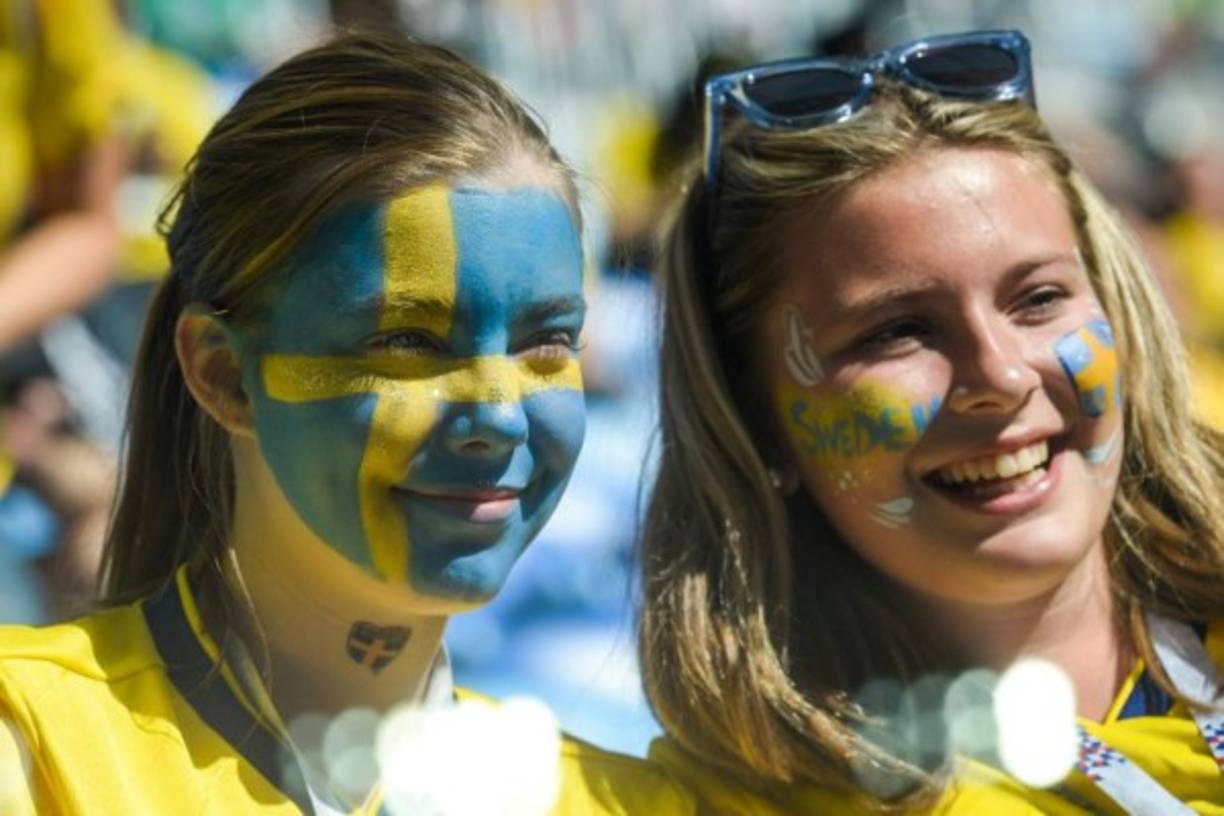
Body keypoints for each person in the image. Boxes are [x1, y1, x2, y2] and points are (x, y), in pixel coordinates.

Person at [0, 32, 696, 815]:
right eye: (407, 342)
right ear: (223, 373)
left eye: (546, 343)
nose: (498, 416)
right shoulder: (32, 748)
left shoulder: (622, 803)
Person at [640, 29, 1224, 814]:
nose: (1002, 376)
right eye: (896, 331)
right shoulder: (732, 803)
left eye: (1038, 299)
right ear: (753, 417)